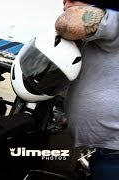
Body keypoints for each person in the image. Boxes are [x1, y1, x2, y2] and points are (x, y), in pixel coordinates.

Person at [55, 1, 119, 179]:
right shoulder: (98, 39)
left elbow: (67, 24)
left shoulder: (114, 17)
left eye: (72, 0)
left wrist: (76, 12)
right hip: (106, 152)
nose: (65, 5)